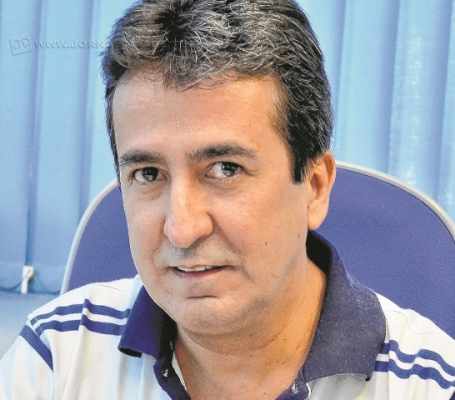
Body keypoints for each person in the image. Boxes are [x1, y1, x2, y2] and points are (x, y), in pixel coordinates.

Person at [1, 0, 455, 398]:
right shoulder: (59, 356)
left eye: (225, 169)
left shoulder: (430, 385)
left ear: (315, 187)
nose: (182, 228)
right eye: (148, 174)